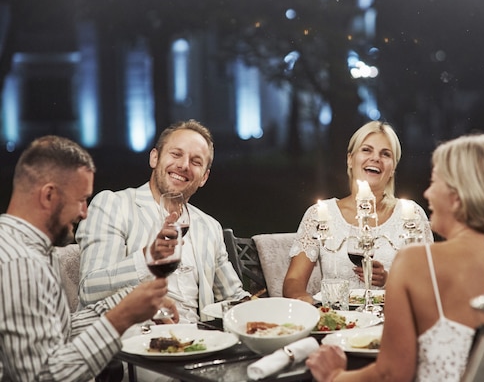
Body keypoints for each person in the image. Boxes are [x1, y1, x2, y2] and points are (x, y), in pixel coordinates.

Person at [305, 133, 484, 382]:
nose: (428, 192)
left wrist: (334, 375)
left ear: (456, 197)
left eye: (434, 182)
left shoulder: (416, 263)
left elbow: (391, 375)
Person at [0, 135, 178, 381]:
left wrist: (130, 302)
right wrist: (121, 318)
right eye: (81, 200)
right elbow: (42, 377)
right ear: (48, 195)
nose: (85, 213)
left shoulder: (32, 249)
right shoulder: (21, 263)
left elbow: (57, 334)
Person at [76, 119, 249, 323]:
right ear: (155, 158)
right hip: (133, 341)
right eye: (176, 154)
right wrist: (147, 260)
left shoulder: (209, 226)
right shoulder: (114, 205)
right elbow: (90, 290)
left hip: (199, 341)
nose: (184, 165)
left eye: (196, 161)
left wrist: (264, 311)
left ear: (204, 177)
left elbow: (233, 297)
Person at [283, 121, 434, 303]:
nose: (375, 158)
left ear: (393, 168)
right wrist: (311, 305)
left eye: (385, 154)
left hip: (390, 319)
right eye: (366, 150)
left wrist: (390, 280)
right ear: (350, 159)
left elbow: (428, 284)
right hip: (338, 321)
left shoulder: (412, 215)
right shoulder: (319, 214)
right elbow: (293, 281)